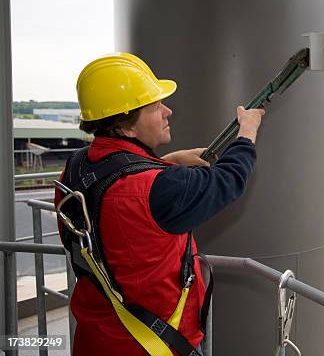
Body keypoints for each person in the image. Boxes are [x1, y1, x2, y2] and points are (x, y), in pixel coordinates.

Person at [54, 52, 264, 355]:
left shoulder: (76, 167)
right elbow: (228, 180)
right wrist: (247, 132)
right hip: (155, 345)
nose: (167, 111)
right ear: (126, 125)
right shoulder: (159, 190)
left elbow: (111, 190)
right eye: (155, 106)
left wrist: (168, 161)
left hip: (96, 337)